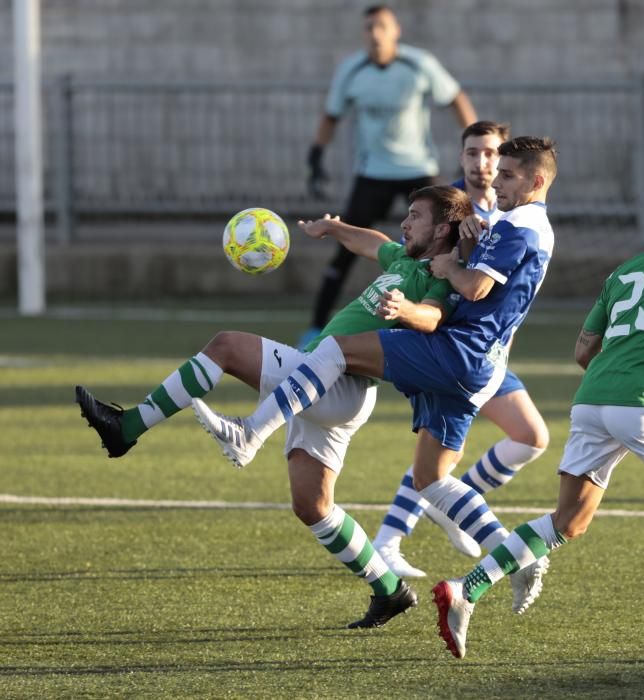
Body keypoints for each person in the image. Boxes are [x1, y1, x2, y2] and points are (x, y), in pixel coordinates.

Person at [75, 185, 474, 630]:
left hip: (336, 383)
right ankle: (389, 591)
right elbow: (373, 243)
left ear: (441, 229)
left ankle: (127, 427)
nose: (404, 223)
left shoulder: (439, 272)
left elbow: (434, 316)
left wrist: (406, 310)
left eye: (414, 216)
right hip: (323, 385)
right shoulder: (403, 257)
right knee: (313, 506)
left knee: (226, 346)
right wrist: (334, 228)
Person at [194, 136, 558, 616]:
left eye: (507, 172)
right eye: (490, 164)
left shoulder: (520, 228)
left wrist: (448, 264)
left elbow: (472, 287)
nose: (495, 176)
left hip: (457, 352)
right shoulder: (514, 223)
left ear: (535, 180)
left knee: (339, 349)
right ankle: (518, 552)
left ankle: (253, 431)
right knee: (430, 478)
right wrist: (472, 233)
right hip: (475, 361)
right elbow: (415, 251)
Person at [432, 183, 644, 660]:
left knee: (568, 521)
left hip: (590, 401)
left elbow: (583, 349)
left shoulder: (623, 271)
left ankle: (467, 587)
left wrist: (613, 386)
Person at [372, 120, 551, 578]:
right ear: (462, 158)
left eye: (492, 156)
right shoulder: (449, 206)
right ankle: (390, 541)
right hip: (456, 341)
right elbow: (418, 256)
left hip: (488, 350)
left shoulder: (514, 216)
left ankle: (451, 505)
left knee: (530, 438)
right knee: (435, 462)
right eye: (473, 154)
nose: (483, 165)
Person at [302, 4, 477, 347]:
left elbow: (456, 97)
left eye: (382, 26)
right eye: (369, 28)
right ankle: (315, 325)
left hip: (418, 168)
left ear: (395, 31)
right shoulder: (352, 71)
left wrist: (469, 143)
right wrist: (316, 155)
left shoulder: (419, 64)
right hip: (373, 172)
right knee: (344, 248)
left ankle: (446, 317)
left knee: (447, 243)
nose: (375, 33)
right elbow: (330, 115)